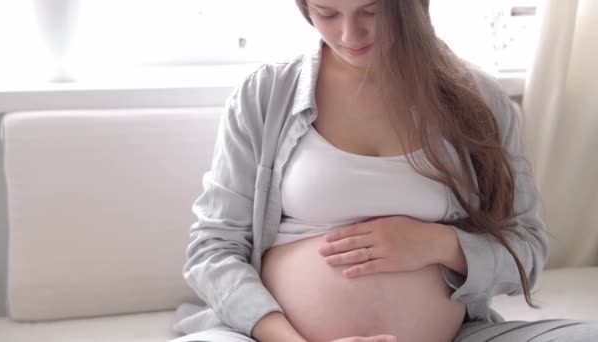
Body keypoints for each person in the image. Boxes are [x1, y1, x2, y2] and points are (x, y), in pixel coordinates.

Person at [171, 1, 598, 341]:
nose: (349, 35)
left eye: (373, 12)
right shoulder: (265, 95)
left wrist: (441, 244)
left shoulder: (479, 101)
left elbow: (528, 247)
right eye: (327, 13)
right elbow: (213, 249)